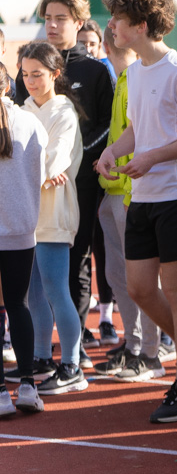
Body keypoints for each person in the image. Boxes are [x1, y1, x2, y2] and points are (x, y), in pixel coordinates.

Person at [96, 0, 177, 423]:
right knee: (139, 288)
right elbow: (137, 127)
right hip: (145, 195)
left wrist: (151, 156)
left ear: (141, 26)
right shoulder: (136, 72)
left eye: (118, 20)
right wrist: (116, 150)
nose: (111, 26)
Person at [24, 0, 115, 366]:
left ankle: (73, 354)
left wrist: (73, 164)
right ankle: (44, 353)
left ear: (78, 24)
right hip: (35, 194)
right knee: (34, 279)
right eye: (47, 17)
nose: (52, 24)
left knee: (75, 264)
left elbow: (107, 125)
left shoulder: (94, 69)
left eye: (60, 18)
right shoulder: (30, 67)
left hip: (79, 182)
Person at [93, 25, 167, 382]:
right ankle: (134, 343)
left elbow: (144, 135)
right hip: (113, 189)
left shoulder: (139, 78)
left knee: (140, 278)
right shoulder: (123, 78)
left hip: (130, 191)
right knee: (116, 275)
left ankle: (150, 351)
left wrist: (128, 189)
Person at [17, 41, 87, 395]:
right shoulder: (23, 110)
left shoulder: (64, 113)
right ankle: (42, 358)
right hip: (25, 212)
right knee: (32, 292)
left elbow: (53, 162)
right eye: (26, 74)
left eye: (38, 74)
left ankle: (72, 365)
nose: (30, 81)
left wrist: (38, 170)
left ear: (55, 74)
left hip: (55, 211)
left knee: (57, 289)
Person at [0, 62, 47, 415]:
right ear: (8, 87)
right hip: (21, 229)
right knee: (18, 304)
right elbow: (40, 171)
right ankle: (29, 385)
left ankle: (1, 393)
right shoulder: (30, 121)